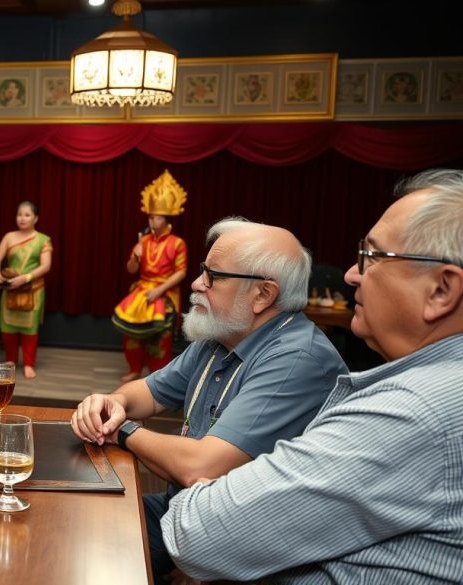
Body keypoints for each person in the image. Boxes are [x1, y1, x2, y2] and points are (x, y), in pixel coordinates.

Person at [162, 169, 463, 583]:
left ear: (442, 291)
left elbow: (197, 533)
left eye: (372, 257)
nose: (351, 275)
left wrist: (126, 432)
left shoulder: (416, 410)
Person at [71, 217, 347, 584]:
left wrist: (122, 429)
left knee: (96, 553)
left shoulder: (296, 359)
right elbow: (148, 393)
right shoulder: (223, 335)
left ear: (263, 294)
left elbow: (201, 466)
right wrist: (110, 400)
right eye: (203, 270)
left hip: (248, 544)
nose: (197, 283)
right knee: (78, 521)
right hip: (190, 512)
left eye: (213, 276)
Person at [112, 170, 188, 383]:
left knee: (159, 336)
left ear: (166, 218)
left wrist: (159, 291)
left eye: (156, 216)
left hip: (164, 292)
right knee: (131, 333)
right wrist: (135, 256)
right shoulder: (143, 241)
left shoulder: (177, 243)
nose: (152, 220)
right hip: (141, 290)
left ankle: (157, 376)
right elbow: (130, 270)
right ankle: (135, 369)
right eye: (150, 216)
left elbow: (181, 272)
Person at [0, 200, 53, 379]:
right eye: (19, 214)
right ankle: (10, 360)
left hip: (32, 289)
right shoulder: (9, 237)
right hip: (11, 288)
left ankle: (28, 363)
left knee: (30, 327)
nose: (22, 218)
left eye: (27, 215)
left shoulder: (43, 239)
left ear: (36, 218)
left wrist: (24, 278)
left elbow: (46, 266)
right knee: (7, 325)